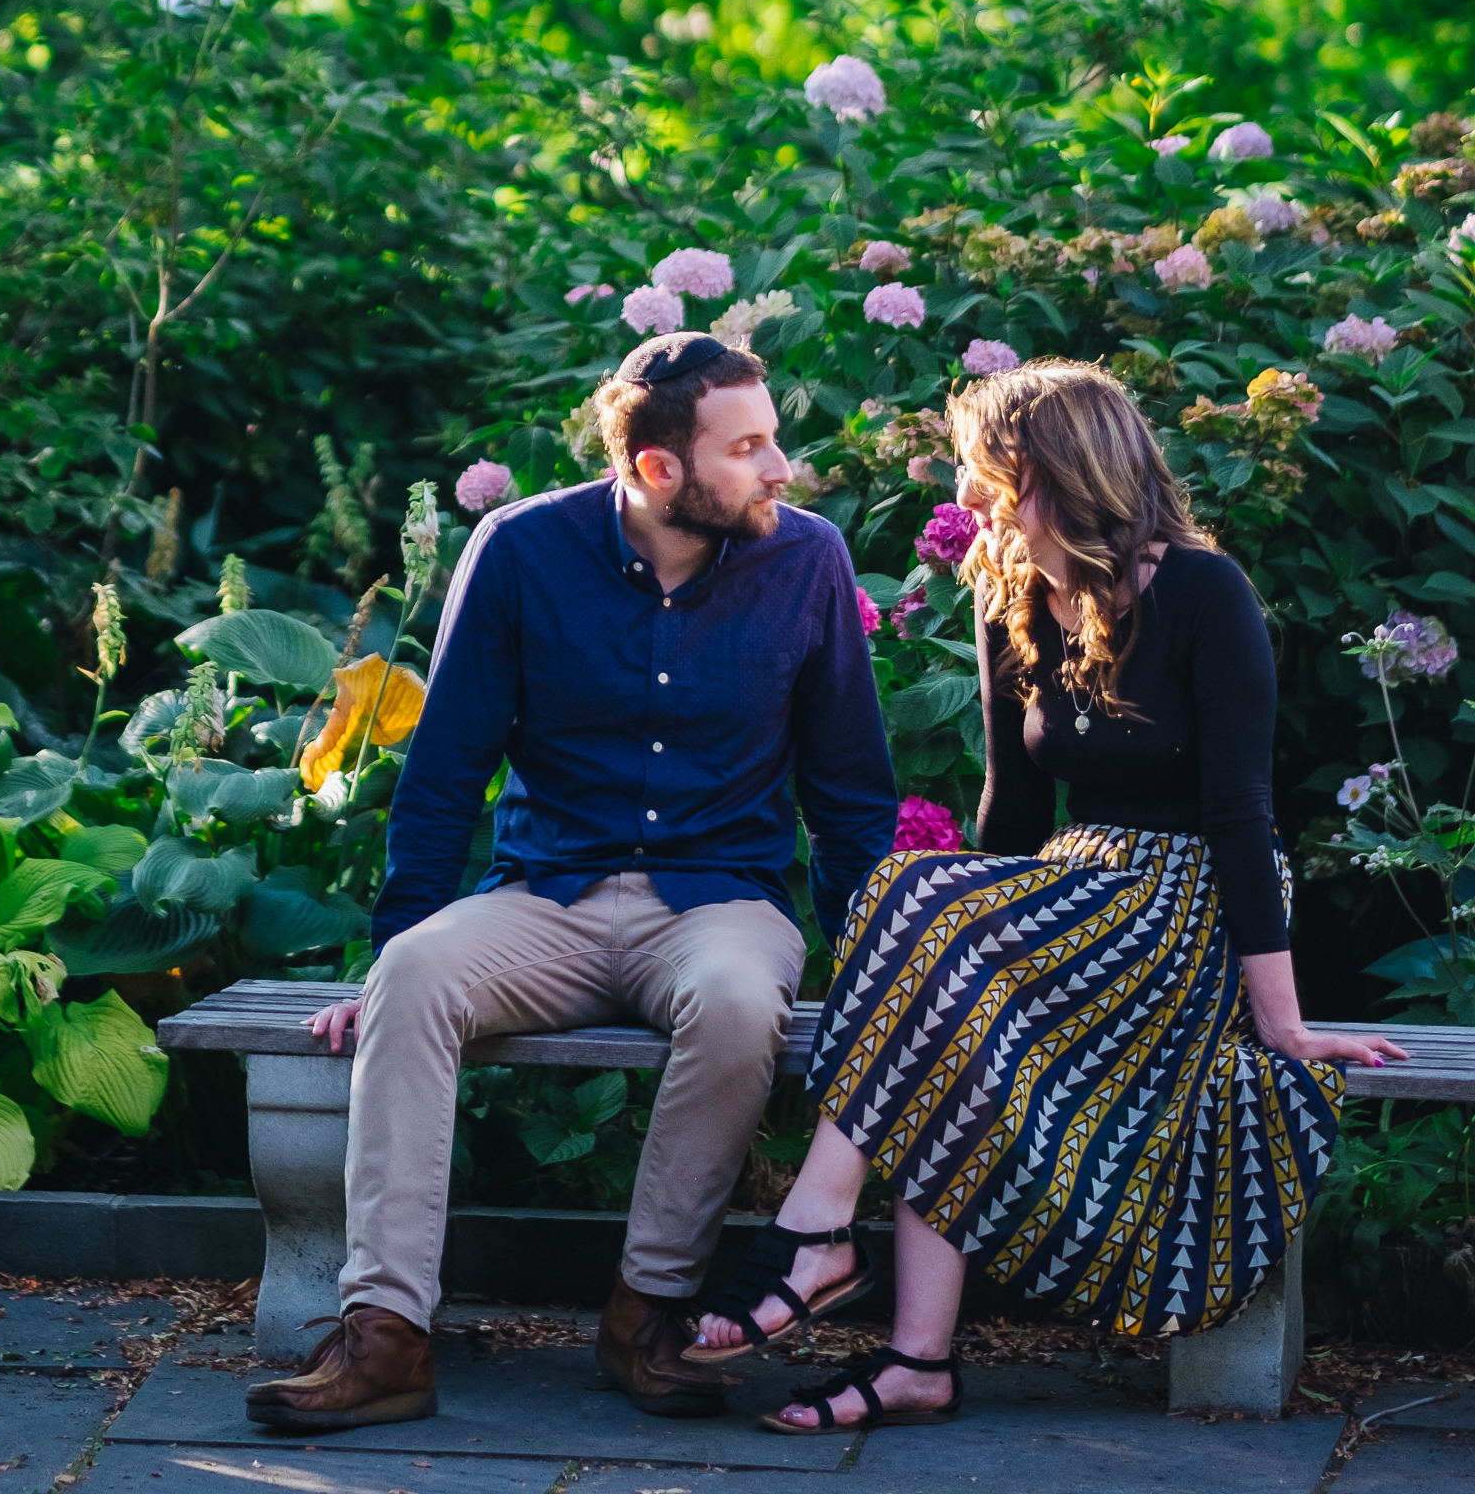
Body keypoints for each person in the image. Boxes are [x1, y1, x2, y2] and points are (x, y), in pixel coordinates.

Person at [686, 355, 1406, 1436]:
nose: (973, 497)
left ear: (1063, 473)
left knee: (930, 919)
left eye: (992, 473)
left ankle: (815, 1225)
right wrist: (957, 930)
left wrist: (1281, 1021)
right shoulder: (1011, 592)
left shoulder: (1202, 594)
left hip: (1181, 904)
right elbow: (1009, 814)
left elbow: (1242, 816)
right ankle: (916, 1361)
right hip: (1065, 896)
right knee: (929, 953)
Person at [244, 328, 898, 1436]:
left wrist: (879, 973)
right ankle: (384, 1339)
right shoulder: (519, 550)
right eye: (747, 448)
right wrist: (389, 953)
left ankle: (646, 1314)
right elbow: (443, 768)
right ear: (655, 467)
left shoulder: (807, 560)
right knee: (413, 972)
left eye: (771, 440)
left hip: (718, 902)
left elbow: (848, 791)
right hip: (542, 897)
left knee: (742, 1001)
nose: (779, 468)